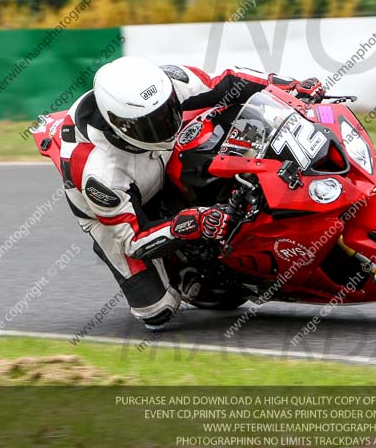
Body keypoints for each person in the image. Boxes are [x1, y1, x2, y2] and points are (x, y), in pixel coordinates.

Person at [58, 56, 325, 330]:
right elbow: (134, 240)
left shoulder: (165, 84)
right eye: (153, 123)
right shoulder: (98, 174)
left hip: (159, 158)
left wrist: (288, 86)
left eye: (168, 111)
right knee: (157, 311)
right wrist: (190, 223)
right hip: (122, 216)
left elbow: (227, 81)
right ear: (121, 125)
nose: (167, 123)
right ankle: (184, 269)